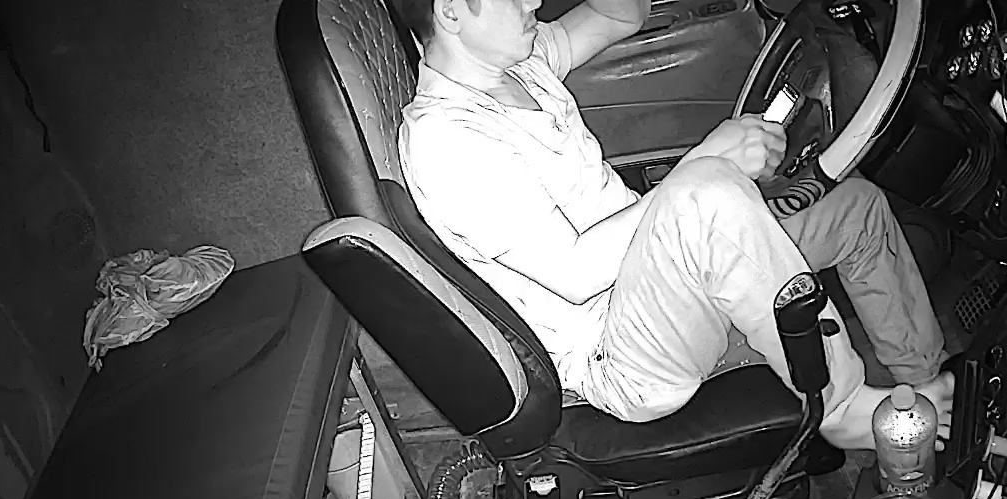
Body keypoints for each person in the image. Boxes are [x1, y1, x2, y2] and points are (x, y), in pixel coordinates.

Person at [394, 0, 953, 450]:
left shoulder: (518, 64)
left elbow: (618, 14)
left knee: (854, 209)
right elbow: (575, 273)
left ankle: (921, 375)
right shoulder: (447, 142)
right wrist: (710, 158)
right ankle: (842, 407)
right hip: (618, 351)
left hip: (661, 276)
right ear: (451, 12)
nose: (533, 2)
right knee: (707, 193)